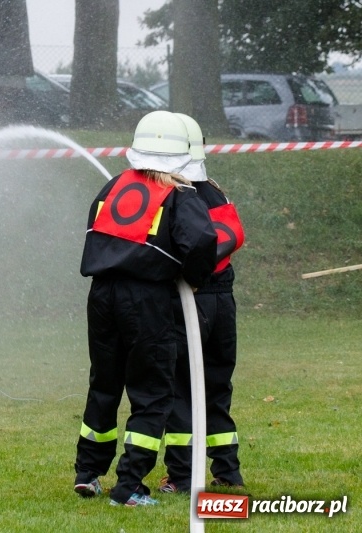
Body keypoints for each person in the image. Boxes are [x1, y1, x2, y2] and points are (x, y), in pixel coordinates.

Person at [73, 110, 218, 507]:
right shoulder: (179, 194)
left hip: (101, 295)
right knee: (152, 392)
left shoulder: (115, 185)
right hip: (147, 299)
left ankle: (88, 473)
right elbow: (202, 242)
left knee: (104, 383)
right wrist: (195, 277)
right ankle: (130, 486)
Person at [159, 113, 246, 494]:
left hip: (188, 299)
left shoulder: (179, 197)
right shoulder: (216, 192)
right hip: (223, 301)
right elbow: (230, 238)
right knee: (216, 387)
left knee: (180, 388)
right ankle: (227, 470)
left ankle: (180, 476)